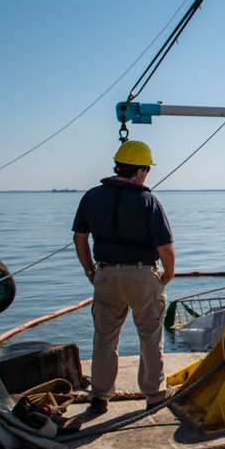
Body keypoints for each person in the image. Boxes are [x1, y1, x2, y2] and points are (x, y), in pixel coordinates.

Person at [72, 140, 176, 414]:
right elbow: (165, 247)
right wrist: (168, 274)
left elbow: (79, 239)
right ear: (140, 171)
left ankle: (100, 396)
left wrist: (90, 271)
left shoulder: (92, 197)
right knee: (150, 337)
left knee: (104, 339)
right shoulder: (147, 200)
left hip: (105, 274)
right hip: (143, 275)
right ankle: (154, 395)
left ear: (118, 166)